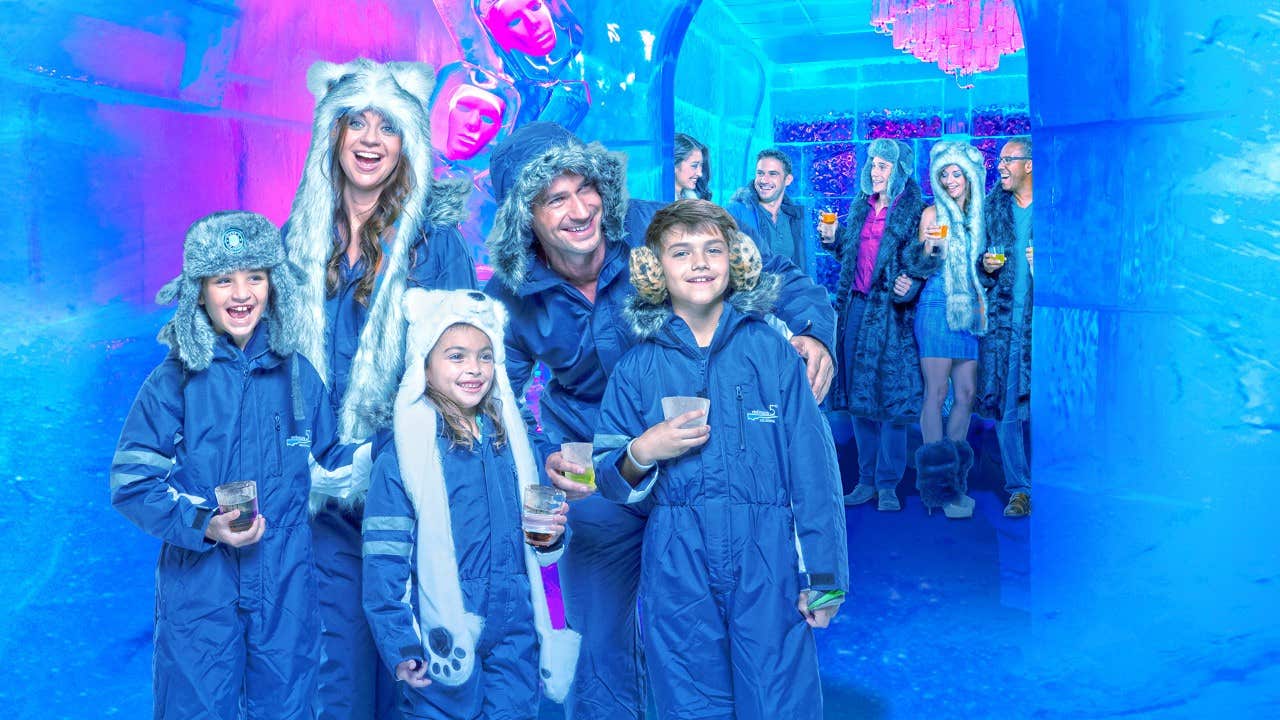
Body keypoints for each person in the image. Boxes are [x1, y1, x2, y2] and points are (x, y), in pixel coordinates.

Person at [483, 122, 836, 720]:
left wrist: (812, 333)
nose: (579, 209)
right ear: (527, 217)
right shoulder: (510, 292)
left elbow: (768, 267)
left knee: (717, 633)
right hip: (600, 467)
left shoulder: (658, 227)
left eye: (585, 187)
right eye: (555, 198)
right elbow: (496, 394)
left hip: (700, 455)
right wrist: (541, 449)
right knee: (600, 644)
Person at [594, 199, 848, 718]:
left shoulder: (773, 353)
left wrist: (824, 578)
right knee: (688, 700)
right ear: (653, 268)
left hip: (769, 560)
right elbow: (608, 475)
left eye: (713, 249)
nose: (700, 263)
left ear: (736, 260)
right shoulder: (638, 367)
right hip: (675, 561)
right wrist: (644, 449)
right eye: (681, 252)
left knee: (778, 698)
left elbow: (814, 474)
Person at [111, 211, 367, 720]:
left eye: (255, 276)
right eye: (222, 279)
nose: (240, 292)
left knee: (288, 705)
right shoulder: (176, 380)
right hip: (200, 585)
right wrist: (205, 524)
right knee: (197, 706)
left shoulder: (296, 373)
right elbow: (132, 481)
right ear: (198, 292)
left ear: (274, 284)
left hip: (286, 576)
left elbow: (334, 457)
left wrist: (389, 453)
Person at [285, 58, 478, 720]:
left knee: (416, 678)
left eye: (388, 127)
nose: (370, 139)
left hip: (409, 496)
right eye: (355, 122)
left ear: (407, 145)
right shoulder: (298, 245)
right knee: (334, 679)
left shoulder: (434, 244)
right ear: (331, 136)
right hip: (320, 504)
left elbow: (459, 371)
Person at [362, 288, 580, 719]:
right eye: (456, 356)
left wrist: (555, 536)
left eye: (484, 356)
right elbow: (384, 558)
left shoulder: (513, 443)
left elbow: (548, 549)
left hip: (516, 621)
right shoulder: (406, 452)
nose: (474, 369)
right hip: (441, 624)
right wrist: (400, 641)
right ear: (425, 361)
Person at [818, 139, 927, 512]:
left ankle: (888, 484)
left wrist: (912, 280)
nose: (876, 172)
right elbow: (853, 251)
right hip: (856, 308)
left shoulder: (914, 210)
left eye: (884, 166)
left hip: (891, 314)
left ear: (900, 170)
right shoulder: (860, 205)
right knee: (858, 398)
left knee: (891, 401)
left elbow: (924, 256)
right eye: (874, 165)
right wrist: (834, 241)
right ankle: (865, 480)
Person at [906, 141, 989, 519]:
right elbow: (920, 264)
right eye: (945, 174)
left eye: (957, 173)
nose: (951, 179)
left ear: (970, 176)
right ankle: (937, 490)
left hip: (969, 312)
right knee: (937, 393)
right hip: (937, 306)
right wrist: (930, 248)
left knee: (967, 394)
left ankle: (952, 481)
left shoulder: (980, 217)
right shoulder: (931, 213)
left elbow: (983, 269)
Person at [979, 136, 1035, 517]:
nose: (1000, 166)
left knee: (1050, 407)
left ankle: (1060, 483)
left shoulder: (1055, 207)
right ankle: (1020, 488)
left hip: (1047, 327)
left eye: (1008, 160)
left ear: (1028, 165)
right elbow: (977, 267)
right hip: (1005, 327)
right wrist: (986, 266)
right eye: (999, 160)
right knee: (1007, 408)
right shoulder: (993, 208)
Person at [727, 148, 808, 270]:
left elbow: (803, 266)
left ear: (788, 180)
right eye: (760, 173)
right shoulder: (735, 212)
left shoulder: (795, 217)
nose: (764, 180)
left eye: (772, 174)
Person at [673, 133, 710, 201]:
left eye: (701, 165)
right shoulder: (658, 202)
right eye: (694, 166)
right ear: (674, 165)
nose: (700, 174)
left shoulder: (695, 198)